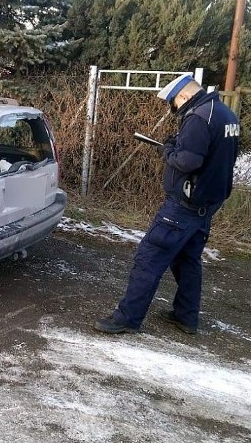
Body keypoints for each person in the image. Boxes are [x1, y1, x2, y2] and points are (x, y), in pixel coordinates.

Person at [94, 73, 240, 336]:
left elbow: (188, 162)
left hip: (183, 205)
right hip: (208, 203)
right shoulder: (224, 114)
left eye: (173, 103)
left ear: (183, 96)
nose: (174, 109)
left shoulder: (198, 117)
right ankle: (186, 316)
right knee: (187, 259)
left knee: (148, 259)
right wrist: (177, 144)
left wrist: (168, 152)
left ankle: (128, 318)